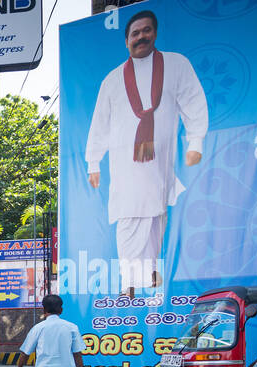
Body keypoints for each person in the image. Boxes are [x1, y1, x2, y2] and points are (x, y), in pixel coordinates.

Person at [85, 9, 208, 297]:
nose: (141, 36)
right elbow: (99, 124)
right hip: (125, 166)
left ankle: (149, 272)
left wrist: (195, 142)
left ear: (154, 32)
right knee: (129, 218)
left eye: (146, 30)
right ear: (126, 41)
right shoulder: (113, 80)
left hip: (160, 161)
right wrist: (94, 163)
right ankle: (129, 280)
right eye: (135, 33)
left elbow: (193, 102)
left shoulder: (176, 65)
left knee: (156, 216)